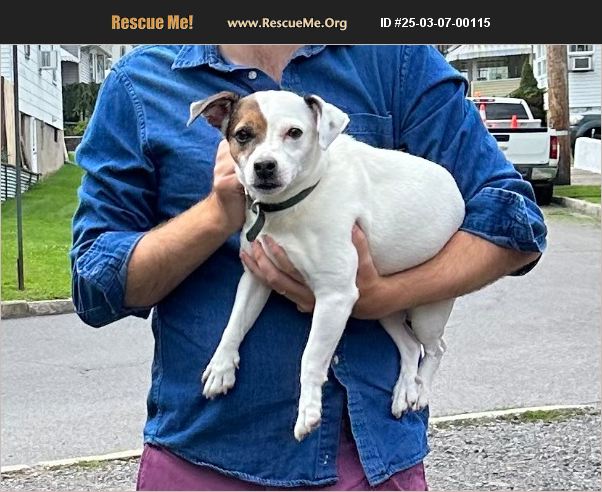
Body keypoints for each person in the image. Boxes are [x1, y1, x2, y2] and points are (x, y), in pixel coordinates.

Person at [70, 45, 546, 490]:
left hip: (370, 461)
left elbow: (516, 223)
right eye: (246, 137)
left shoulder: (394, 57)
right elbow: (96, 286)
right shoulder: (142, 81)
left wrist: (383, 297)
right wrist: (216, 216)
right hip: (201, 458)